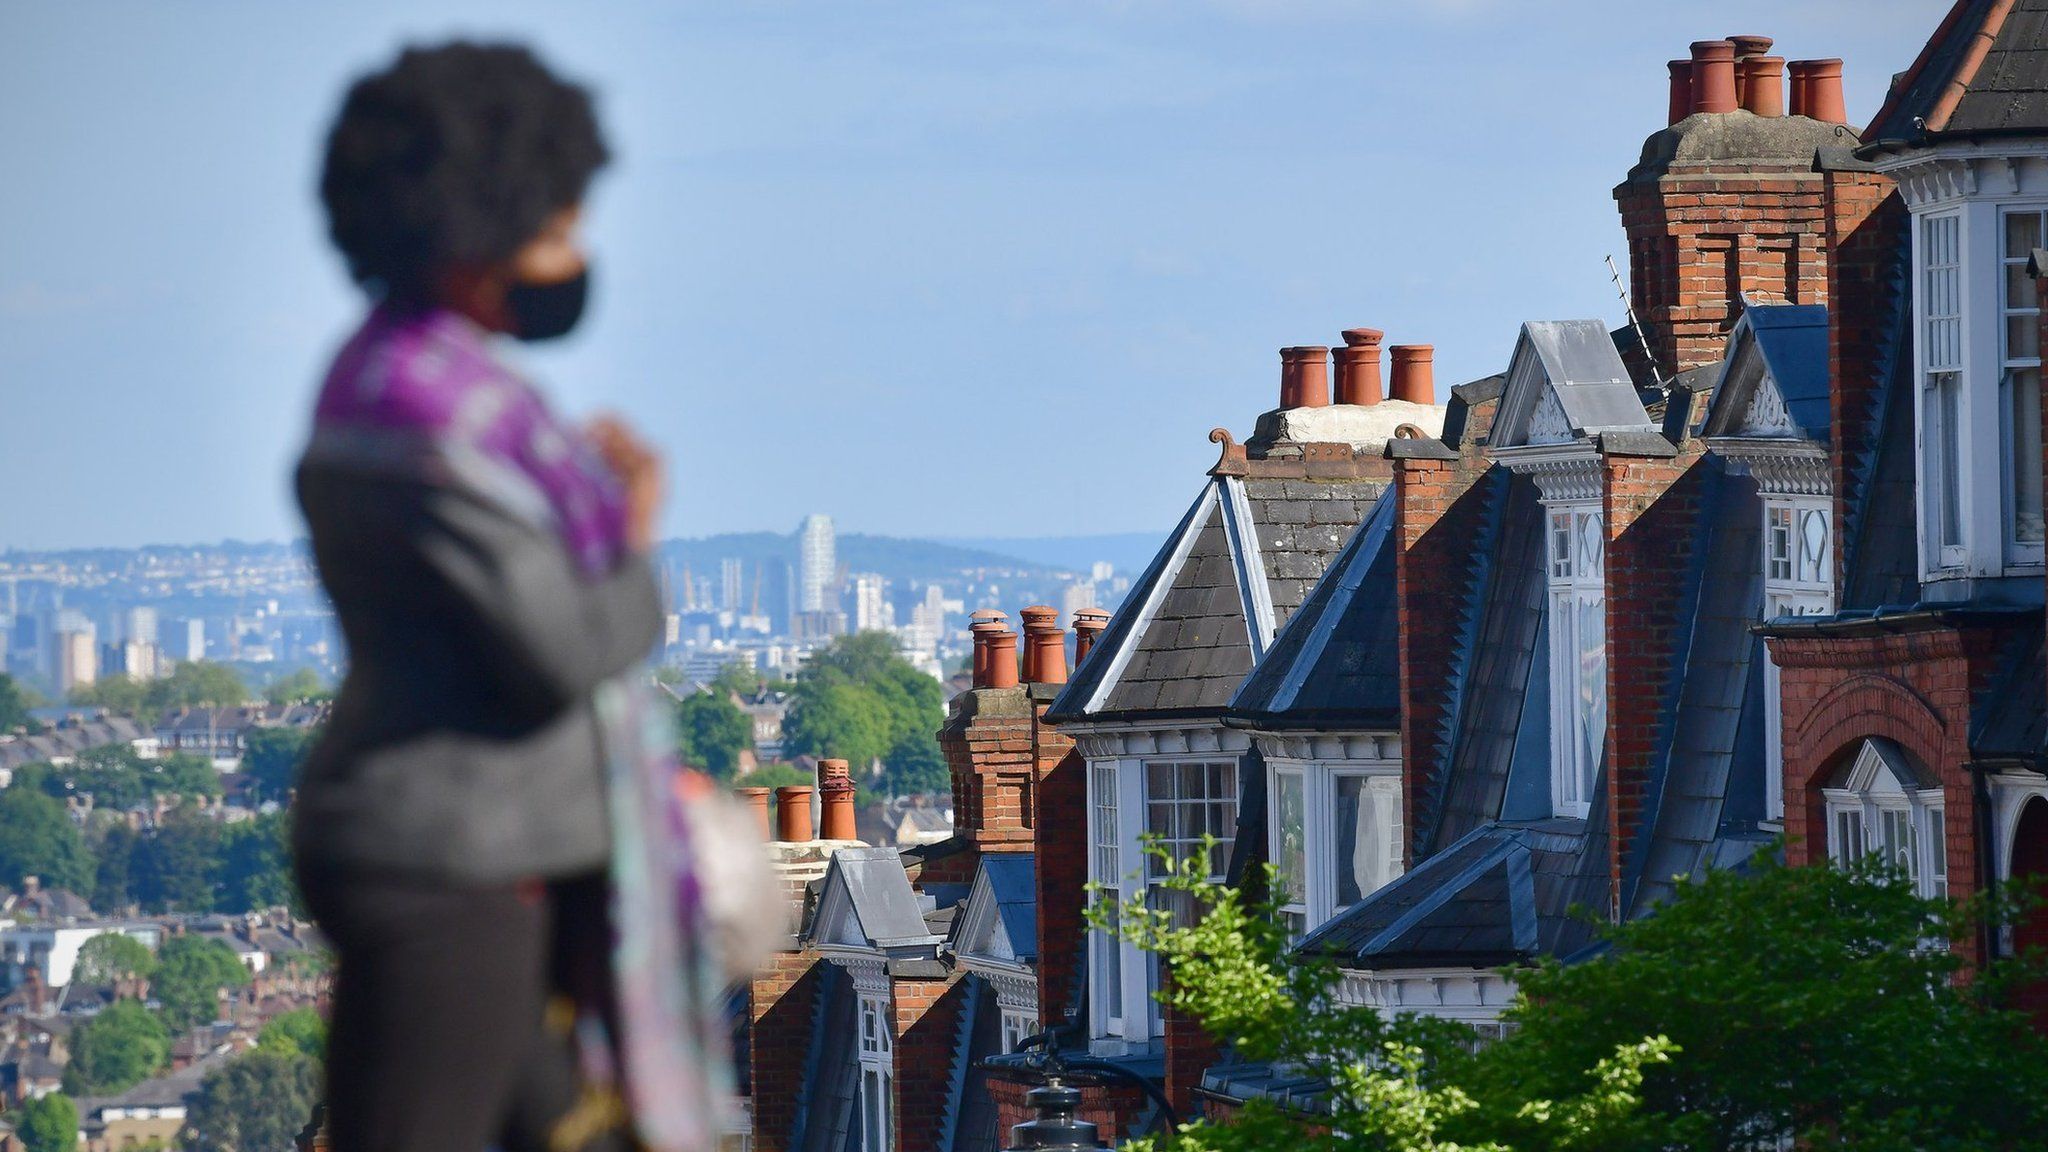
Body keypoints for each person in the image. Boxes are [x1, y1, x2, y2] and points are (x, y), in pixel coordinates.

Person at [296, 42, 672, 1152]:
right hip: (453, 861)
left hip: (470, 852)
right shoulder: (434, 425)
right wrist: (634, 540)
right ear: (474, 239)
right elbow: (557, 647)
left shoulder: (395, 392)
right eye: (555, 224)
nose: (575, 254)